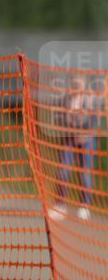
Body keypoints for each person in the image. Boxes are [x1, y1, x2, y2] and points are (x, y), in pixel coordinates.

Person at [48, 75, 99, 222]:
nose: (76, 86)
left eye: (79, 83)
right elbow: (61, 118)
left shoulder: (90, 101)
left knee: (85, 173)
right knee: (63, 170)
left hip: (86, 140)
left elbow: (94, 120)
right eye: (74, 83)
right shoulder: (66, 100)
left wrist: (84, 134)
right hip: (69, 139)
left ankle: (84, 206)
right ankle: (60, 204)